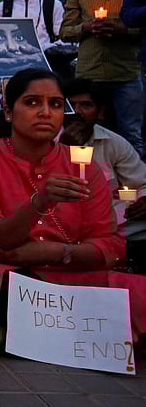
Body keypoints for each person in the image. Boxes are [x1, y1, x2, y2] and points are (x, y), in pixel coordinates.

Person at [0, 68, 146, 344]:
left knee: (139, 291)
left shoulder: (83, 165)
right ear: (8, 111)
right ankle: (65, 334)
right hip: (3, 275)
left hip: (70, 278)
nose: (45, 112)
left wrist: (59, 252)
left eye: (55, 104)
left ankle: (3, 336)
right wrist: (39, 203)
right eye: (32, 102)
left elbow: (109, 246)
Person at [60, 0, 142, 157]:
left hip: (126, 72)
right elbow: (65, 32)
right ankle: (86, 176)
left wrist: (122, 30)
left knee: (131, 134)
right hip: (90, 74)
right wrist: (86, 28)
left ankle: (132, 177)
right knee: (83, 133)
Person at [61, 78, 146, 272]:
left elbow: (139, 185)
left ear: (100, 112)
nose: (77, 112)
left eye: (86, 105)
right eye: (70, 105)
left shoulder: (113, 143)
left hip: (112, 214)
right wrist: (65, 149)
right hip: (61, 219)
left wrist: (143, 199)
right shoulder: (46, 140)